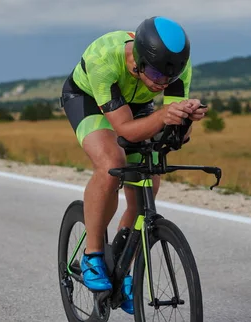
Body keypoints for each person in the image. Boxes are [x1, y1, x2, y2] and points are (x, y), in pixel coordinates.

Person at [59, 16, 208, 314]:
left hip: (137, 102)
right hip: (87, 97)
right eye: (154, 72)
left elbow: (174, 135)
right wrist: (164, 115)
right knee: (112, 162)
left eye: (169, 78)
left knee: (147, 183)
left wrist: (186, 119)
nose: (160, 82)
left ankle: (121, 261)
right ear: (138, 58)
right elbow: (125, 130)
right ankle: (93, 254)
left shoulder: (173, 68)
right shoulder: (105, 58)